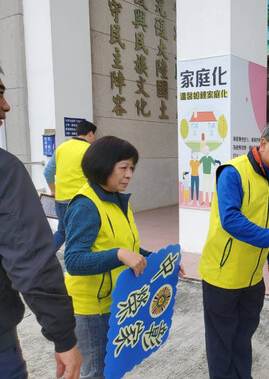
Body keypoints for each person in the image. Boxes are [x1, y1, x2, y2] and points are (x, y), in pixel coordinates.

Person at [63, 135, 184, 378]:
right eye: (123, 168)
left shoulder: (118, 199)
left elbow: (128, 246)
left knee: (112, 371)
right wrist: (118, 255)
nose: (129, 174)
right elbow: (74, 261)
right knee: (96, 372)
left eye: (132, 168)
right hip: (92, 310)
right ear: (103, 166)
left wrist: (160, 262)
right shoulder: (86, 206)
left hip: (117, 301)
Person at [198, 120, 269, 379]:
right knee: (222, 341)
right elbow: (231, 220)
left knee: (243, 337)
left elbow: (262, 219)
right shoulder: (232, 172)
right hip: (223, 276)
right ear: (264, 143)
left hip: (252, 277)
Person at [0, 70, 82, 378]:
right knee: (60, 234)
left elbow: (49, 173)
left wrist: (56, 191)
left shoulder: (60, 151)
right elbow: (30, 262)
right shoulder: (5, 170)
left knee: (61, 232)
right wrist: (63, 336)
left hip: (63, 201)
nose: (7, 106)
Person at [44, 119, 97, 251]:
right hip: (80, 201)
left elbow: (48, 172)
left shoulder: (62, 147)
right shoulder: (90, 150)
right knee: (79, 235)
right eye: (94, 135)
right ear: (90, 133)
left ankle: (43, 259)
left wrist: (53, 190)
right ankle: (73, 266)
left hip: (60, 200)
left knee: (62, 231)